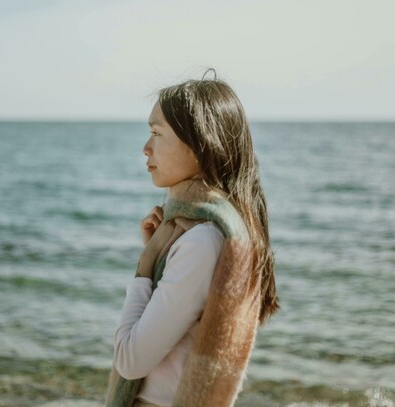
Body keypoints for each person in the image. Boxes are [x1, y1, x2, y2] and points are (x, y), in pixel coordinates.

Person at [106, 70, 279, 407]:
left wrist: (145, 267)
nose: (145, 148)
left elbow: (129, 361)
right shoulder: (212, 231)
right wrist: (159, 255)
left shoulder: (203, 240)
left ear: (201, 145)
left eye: (157, 133)